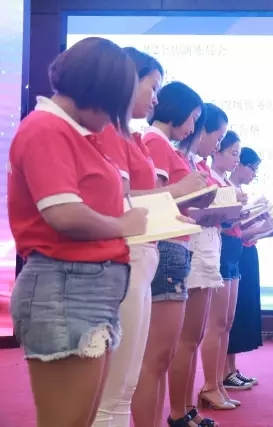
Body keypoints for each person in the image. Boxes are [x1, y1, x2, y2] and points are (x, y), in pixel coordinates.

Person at [8, 37, 147, 427]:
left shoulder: (70, 130)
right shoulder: (47, 129)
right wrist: (121, 226)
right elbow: (63, 213)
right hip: (64, 287)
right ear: (100, 94)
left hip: (84, 288)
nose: (114, 120)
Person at [93, 47, 211, 427]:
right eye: (153, 86)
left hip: (146, 254)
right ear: (128, 79)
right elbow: (117, 200)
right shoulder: (114, 133)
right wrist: (179, 192)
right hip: (126, 255)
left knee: (127, 383)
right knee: (117, 386)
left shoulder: (130, 135)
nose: (156, 99)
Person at [131, 81, 206, 427]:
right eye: (192, 119)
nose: (192, 128)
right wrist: (187, 190)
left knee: (162, 357)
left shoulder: (161, 143)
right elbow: (156, 199)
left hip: (175, 246)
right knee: (155, 357)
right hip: (166, 247)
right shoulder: (155, 142)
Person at [167, 103, 229, 427]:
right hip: (188, 246)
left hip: (205, 247)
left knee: (194, 336)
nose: (217, 145)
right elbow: (174, 204)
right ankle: (179, 412)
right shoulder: (178, 156)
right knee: (185, 339)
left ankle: (188, 408)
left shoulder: (195, 162)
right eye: (217, 137)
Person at [199, 130, 251, 408]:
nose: (236, 160)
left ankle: (219, 382)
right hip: (218, 250)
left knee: (226, 323)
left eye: (238, 155)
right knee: (216, 324)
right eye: (233, 153)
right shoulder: (209, 178)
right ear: (217, 151)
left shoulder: (227, 182)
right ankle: (210, 385)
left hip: (232, 251)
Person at [226, 147, 270, 386]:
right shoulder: (226, 189)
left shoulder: (239, 191)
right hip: (230, 254)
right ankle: (224, 373)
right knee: (226, 319)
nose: (253, 173)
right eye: (252, 168)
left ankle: (231, 369)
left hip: (243, 251)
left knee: (236, 314)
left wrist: (264, 230)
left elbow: (240, 230)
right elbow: (231, 231)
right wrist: (259, 228)